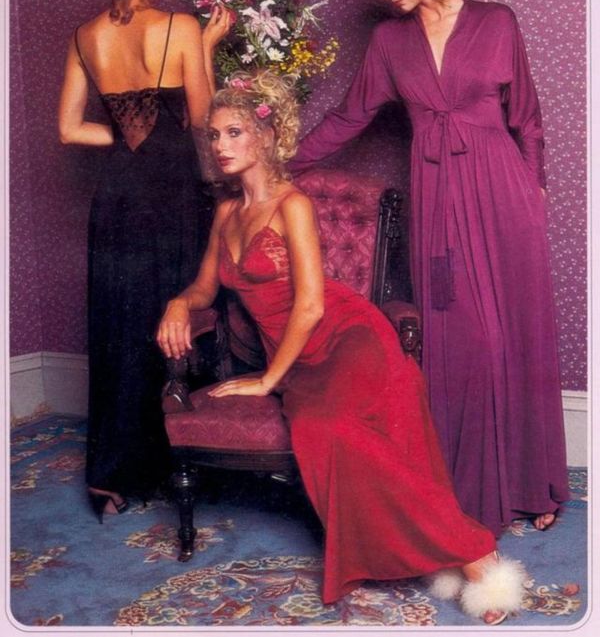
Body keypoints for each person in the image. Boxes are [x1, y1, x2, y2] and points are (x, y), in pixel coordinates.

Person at [157, 69, 527, 623]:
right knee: (319, 429)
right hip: (295, 357)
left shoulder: (292, 204)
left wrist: (267, 380)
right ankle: (449, 550)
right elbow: (204, 289)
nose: (220, 145)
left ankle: (474, 554)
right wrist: (178, 303)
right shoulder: (227, 212)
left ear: (266, 136)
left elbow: (310, 305)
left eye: (234, 132)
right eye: (214, 134)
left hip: (346, 337)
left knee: (332, 427)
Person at [287, 0, 569, 537]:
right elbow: (348, 117)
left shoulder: (497, 22)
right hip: (438, 200)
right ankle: (464, 490)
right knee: (463, 338)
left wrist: (534, 193)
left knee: (516, 335)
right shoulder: (390, 43)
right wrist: (282, 164)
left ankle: (533, 484)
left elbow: (527, 119)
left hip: (505, 198)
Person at [58, 0, 232, 519]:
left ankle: (111, 479)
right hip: (173, 196)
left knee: (121, 329)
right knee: (175, 321)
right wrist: (207, 46)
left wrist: (127, 136)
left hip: (116, 201)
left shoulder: (85, 36)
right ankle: (180, 463)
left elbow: (69, 129)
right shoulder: (180, 28)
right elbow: (205, 123)